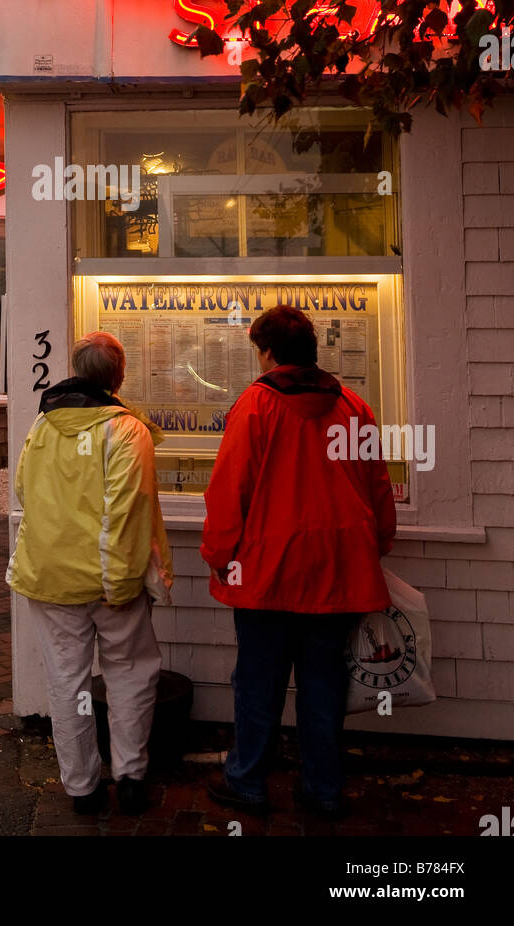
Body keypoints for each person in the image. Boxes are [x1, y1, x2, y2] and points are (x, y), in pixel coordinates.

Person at [201, 306, 397, 821]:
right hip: (338, 572)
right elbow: (377, 485)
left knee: (259, 684)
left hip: (268, 575)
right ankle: (323, 788)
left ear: (267, 353)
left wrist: (219, 555)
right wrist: (378, 543)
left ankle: (247, 782)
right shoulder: (353, 406)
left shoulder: (256, 405)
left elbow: (229, 489)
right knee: (324, 686)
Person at [6, 331, 173, 817]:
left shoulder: (43, 423)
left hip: (50, 575)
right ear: (119, 377)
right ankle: (131, 776)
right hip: (110, 581)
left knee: (66, 682)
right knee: (130, 676)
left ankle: (81, 788)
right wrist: (121, 584)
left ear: (77, 372)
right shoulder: (126, 431)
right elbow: (129, 510)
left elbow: (23, 488)